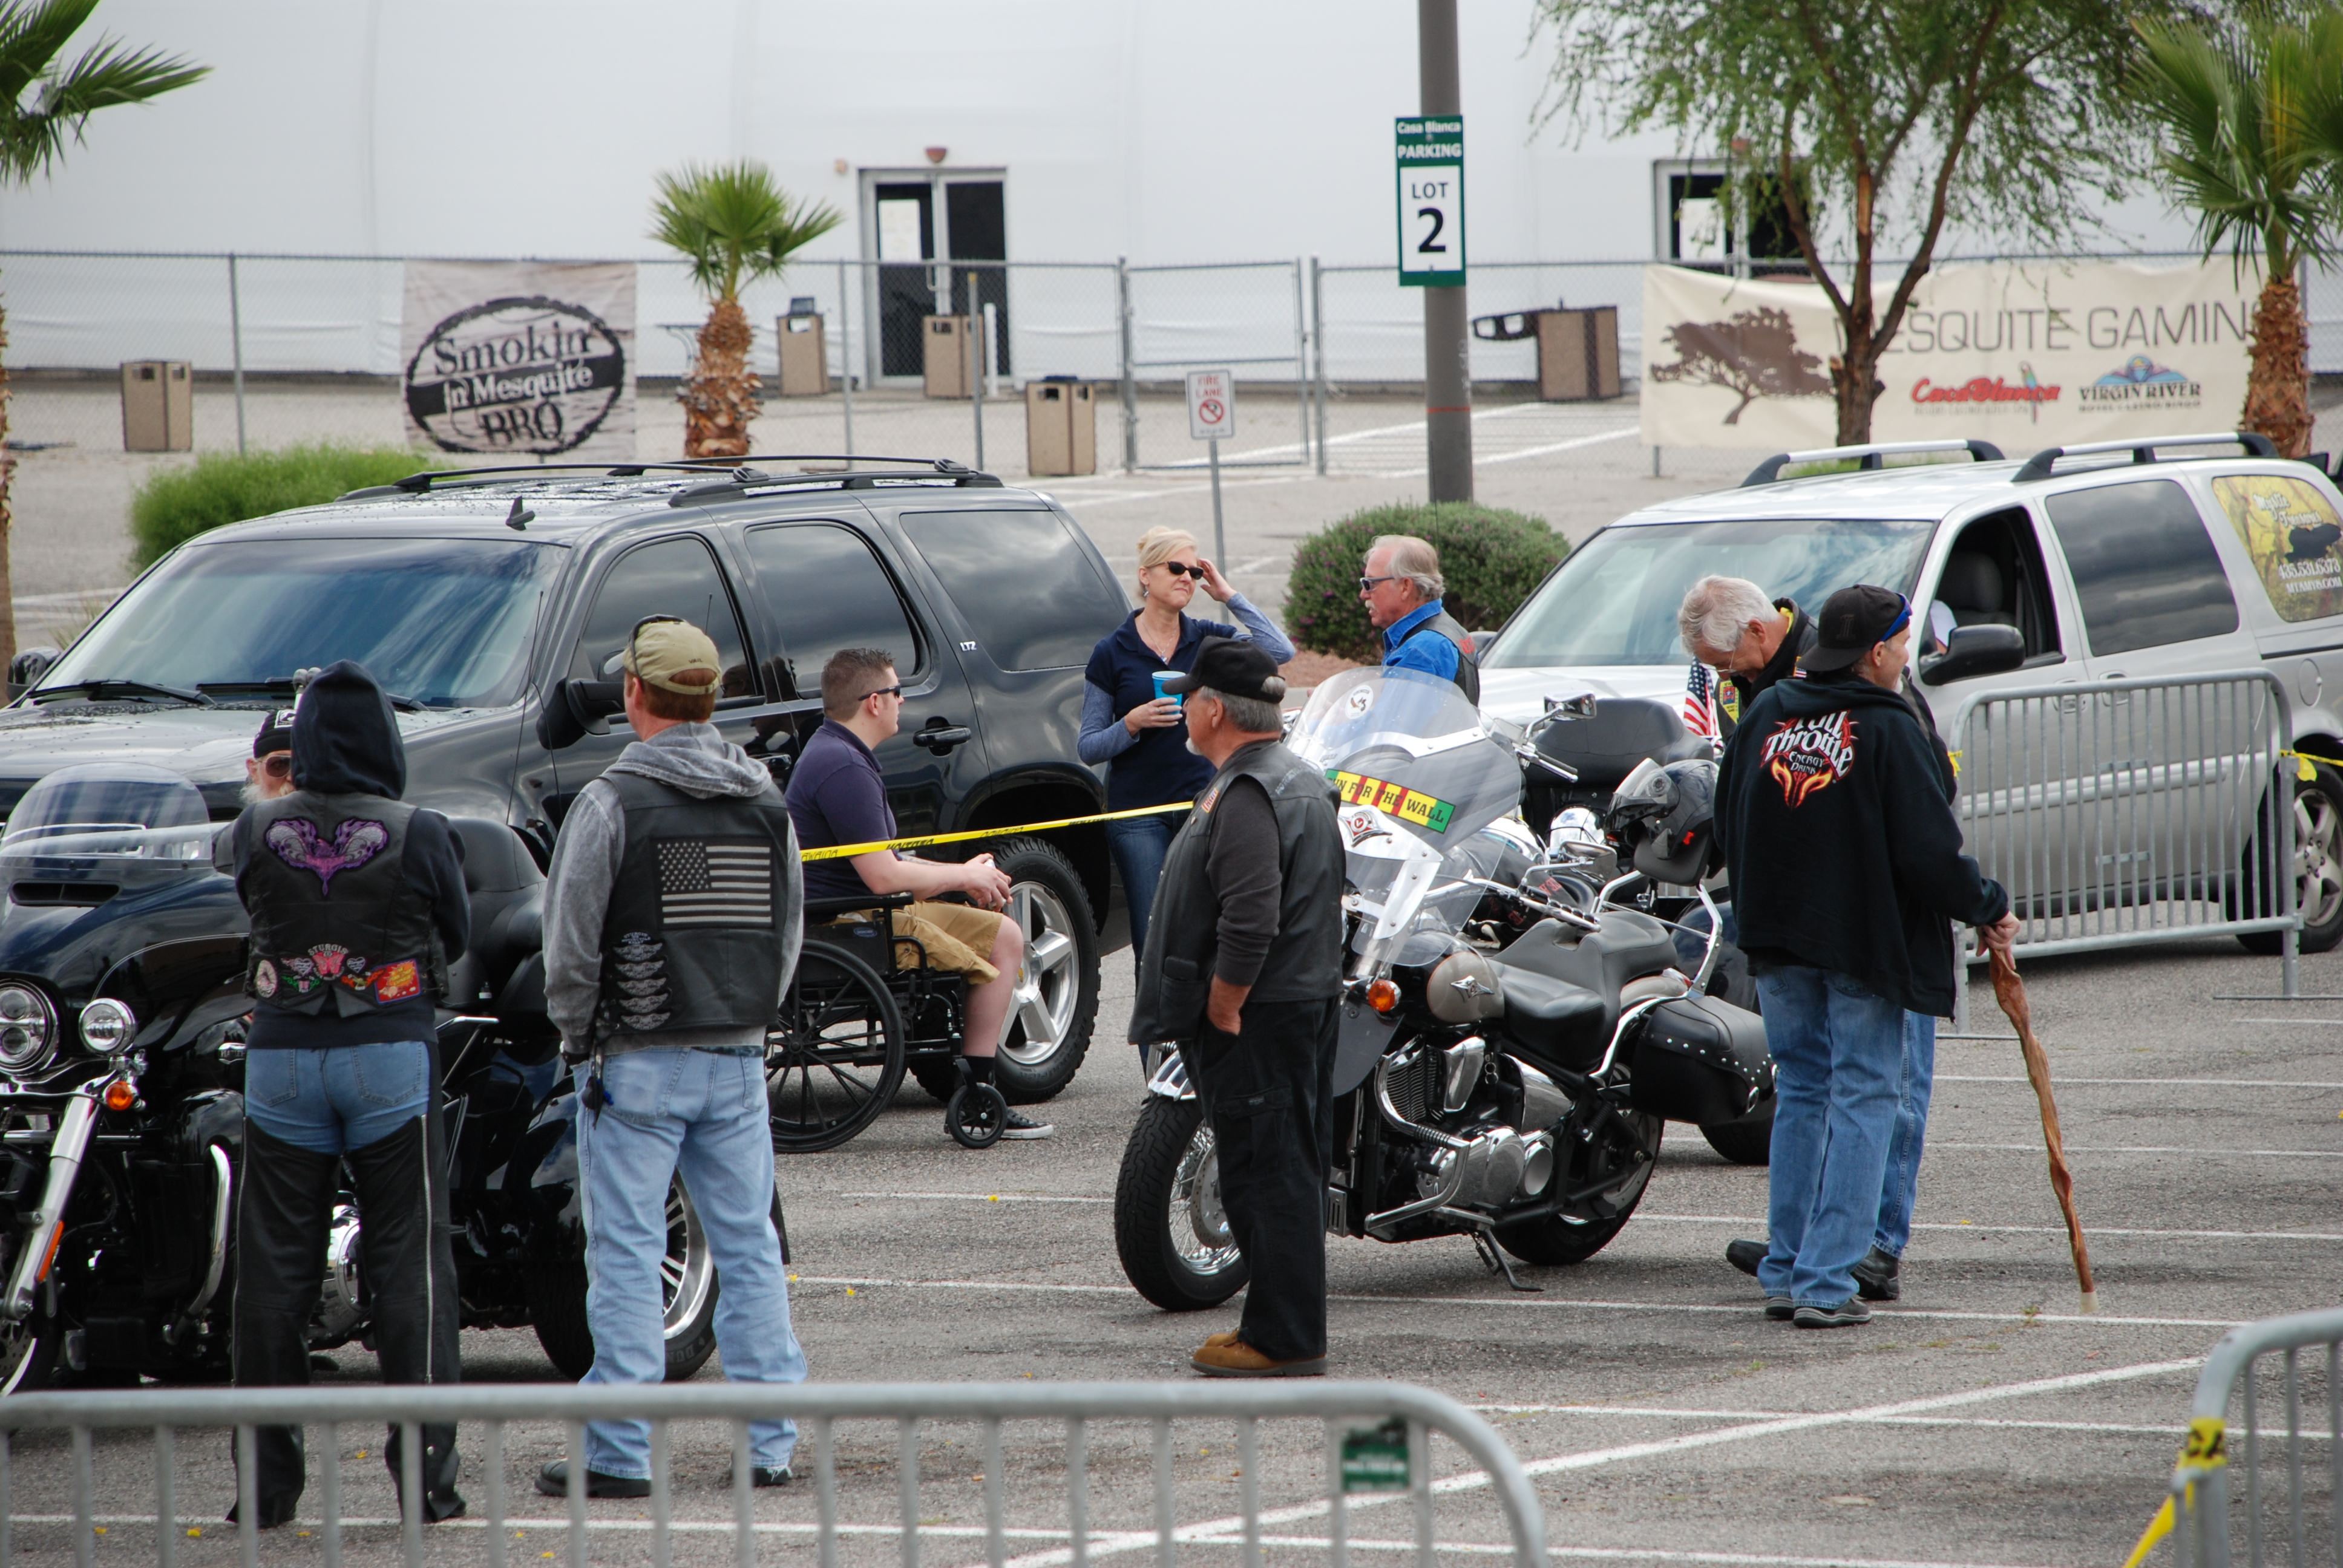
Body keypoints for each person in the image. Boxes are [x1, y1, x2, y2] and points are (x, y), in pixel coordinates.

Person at [534, 617, 808, 1498]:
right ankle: (770, 1443)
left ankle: (617, 1451)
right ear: (713, 698)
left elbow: (569, 947)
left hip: (635, 1058)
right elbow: (787, 933)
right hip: (737, 1050)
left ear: (633, 694)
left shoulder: (611, 802)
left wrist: (578, 1039)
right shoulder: (765, 798)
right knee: (749, 1246)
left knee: (626, 1251)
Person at [1715, 586, 2019, 1329]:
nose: (1905, 657)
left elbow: (1729, 819)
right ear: (1876, 651)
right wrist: (1986, 905)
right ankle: (1823, 1282)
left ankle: (1787, 1268)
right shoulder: (1886, 726)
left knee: (1804, 1093)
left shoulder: (1766, 711)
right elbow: (1928, 852)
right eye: (1904, 643)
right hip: (1858, 942)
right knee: (1860, 1096)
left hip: (1778, 936)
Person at [216, 661, 469, 1526]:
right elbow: (456, 934)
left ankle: (264, 1491)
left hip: (283, 1056)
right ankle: (426, 1485)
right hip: (388, 1049)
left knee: (271, 1274)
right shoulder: (419, 829)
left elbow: (247, 906)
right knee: (411, 1265)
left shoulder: (254, 828)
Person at [1680, 577, 1950, 1304]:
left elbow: (1926, 792)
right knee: (1851, 1089)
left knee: (1849, 1088)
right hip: (1836, 928)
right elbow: (1741, 805)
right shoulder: (1800, 699)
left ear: (1761, 634)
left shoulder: (1820, 692)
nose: (1723, 677)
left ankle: (1843, 1252)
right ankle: (1819, 1264)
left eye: (1726, 663)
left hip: (1822, 924)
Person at [1128, 636, 1344, 1376]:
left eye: (1188, 699)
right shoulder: (1289, 776)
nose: (1183, 710)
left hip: (1260, 1013)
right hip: (1290, 1004)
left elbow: (1251, 918)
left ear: (1214, 709)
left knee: (1264, 1174)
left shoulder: (1251, 790)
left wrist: (1222, 1005)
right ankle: (1277, 1326)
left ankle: (1283, 1340)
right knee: (1281, 1168)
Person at [786, 646, 1054, 1140]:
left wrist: (965, 872)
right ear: (873, 702)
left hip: (860, 909)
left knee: (1005, 936)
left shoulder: (839, 753)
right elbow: (884, 878)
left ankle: (979, 1091)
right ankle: (977, 1097)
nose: (902, 700)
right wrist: (962, 879)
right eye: (897, 691)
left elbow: (891, 860)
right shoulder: (842, 766)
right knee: (999, 942)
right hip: (845, 922)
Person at [1079, 526, 1294, 990]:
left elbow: (1280, 651)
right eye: (1176, 568)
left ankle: (1203, 1029)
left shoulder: (1206, 640)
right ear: (1146, 576)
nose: (1187, 578)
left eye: (1194, 572)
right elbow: (1089, 746)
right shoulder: (1113, 651)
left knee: (1212, 930)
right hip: (1138, 815)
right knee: (1155, 936)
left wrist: (1228, 595)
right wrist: (1131, 723)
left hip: (1204, 805)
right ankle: (1156, 1033)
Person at [1676, 575, 1816, 740]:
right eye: (1715, 667)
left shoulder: (1828, 660)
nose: (1723, 676)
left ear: (1756, 631)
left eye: (1725, 663)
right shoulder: (1729, 689)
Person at [1360, 534, 1478, 703]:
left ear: (1405, 587)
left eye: (1370, 584)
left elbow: (1395, 718)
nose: (1363, 594)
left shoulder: (1421, 649)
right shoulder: (1448, 630)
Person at [243, 710, 295, 806]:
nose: (292, 778)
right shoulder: (250, 817)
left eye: (306, 766)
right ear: (254, 771)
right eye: (280, 764)